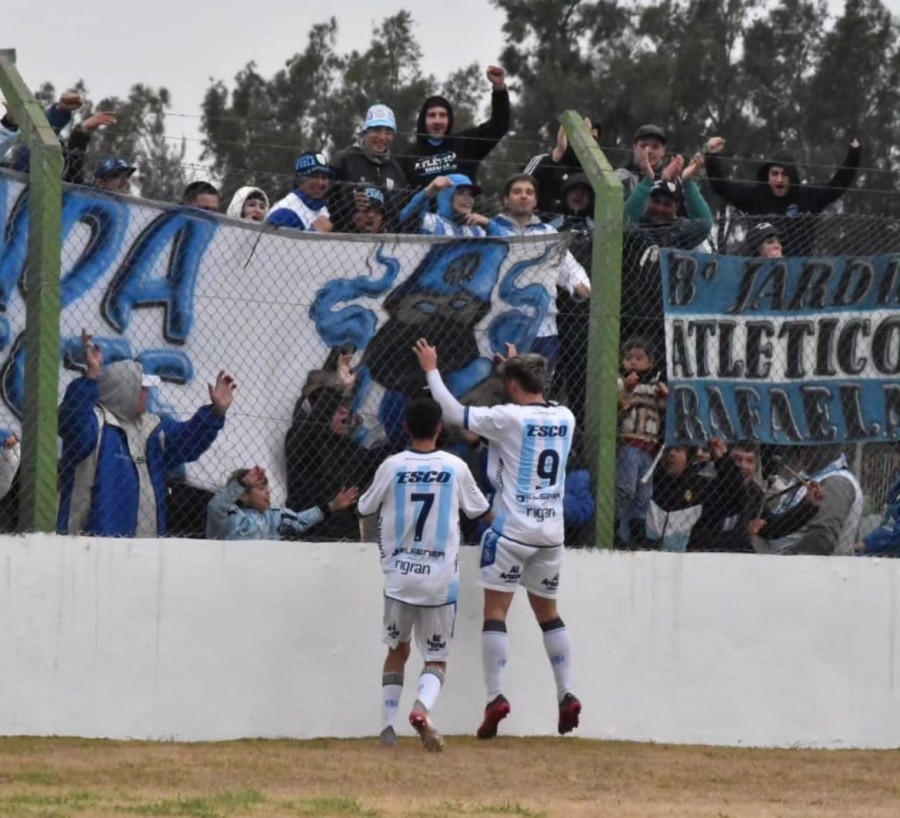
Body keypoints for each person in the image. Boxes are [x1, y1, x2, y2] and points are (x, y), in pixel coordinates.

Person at [413, 340, 583, 739]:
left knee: (496, 613)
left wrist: (431, 369)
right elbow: (534, 405)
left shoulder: (508, 418)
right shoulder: (566, 416)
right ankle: (566, 693)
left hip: (512, 530)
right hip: (551, 534)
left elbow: (454, 413)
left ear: (512, 386)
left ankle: (495, 698)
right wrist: (514, 371)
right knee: (549, 614)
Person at [357, 396, 490, 751]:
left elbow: (364, 506)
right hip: (440, 582)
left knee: (397, 650)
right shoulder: (454, 466)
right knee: (436, 658)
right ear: (439, 429)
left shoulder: (391, 465)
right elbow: (479, 509)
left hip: (400, 578)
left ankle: (387, 727)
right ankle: (421, 708)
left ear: (404, 428)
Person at [57, 331, 235, 538]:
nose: (147, 393)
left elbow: (187, 442)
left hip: (145, 553)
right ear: (122, 390)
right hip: (90, 548)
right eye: (142, 388)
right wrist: (91, 376)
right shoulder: (94, 425)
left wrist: (215, 413)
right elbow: (71, 419)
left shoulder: (151, 430)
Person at [491, 174, 591, 373]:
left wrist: (580, 285)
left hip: (542, 328)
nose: (523, 196)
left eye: (529, 192)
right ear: (505, 199)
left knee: (538, 392)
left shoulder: (548, 234)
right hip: (498, 325)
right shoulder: (489, 231)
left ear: (535, 201)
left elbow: (569, 268)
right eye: (517, 192)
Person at [702, 136, 862, 255]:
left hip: (798, 271)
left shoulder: (807, 196)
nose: (779, 179)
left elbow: (837, 186)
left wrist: (854, 155)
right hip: (758, 271)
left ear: (792, 177)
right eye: (775, 173)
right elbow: (721, 186)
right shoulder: (755, 195)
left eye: (785, 174)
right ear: (767, 176)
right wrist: (711, 156)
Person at [621, 154, 712, 353]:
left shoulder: (681, 231)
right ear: (647, 201)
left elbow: (705, 225)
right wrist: (648, 180)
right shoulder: (636, 228)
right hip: (631, 318)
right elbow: (624, 220)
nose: (660, 208)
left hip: (670, 317)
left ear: (676, 207)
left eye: (667, 204)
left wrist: (687, 183)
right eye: (656, 201)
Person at [403, 66, 510, 189]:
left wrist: (499, 88)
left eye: (443, 115)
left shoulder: (466, 143)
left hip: (463, 207)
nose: (437, 121)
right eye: (432, 115)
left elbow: (499, 125)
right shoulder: (409, 156)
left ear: (449, 120)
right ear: (423, 120)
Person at [206, 465, 358, 540]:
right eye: (260, 487)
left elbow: (300, 521)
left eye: (267, 486)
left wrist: (332, 506)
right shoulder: (230, 517)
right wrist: (243, 483)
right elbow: (215, 507)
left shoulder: (275, 517)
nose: (267, 491)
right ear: (244, 496)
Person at [645, 440, 745, 552]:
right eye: (667, 449)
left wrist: (722, 459)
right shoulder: (649, 484)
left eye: (678, 450)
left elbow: (736, 498)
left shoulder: (700, 488)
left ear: (689, 457)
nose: (671, 454)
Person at [763, 447, 863, 555]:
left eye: (810, 449)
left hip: (797, 564)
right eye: (800, 449)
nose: (802, 454)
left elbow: (821, 539)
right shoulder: (811, 475)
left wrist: (786, 559)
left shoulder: (837, 481)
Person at [615, 337, 667, 546]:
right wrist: (627, 389)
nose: (633, 362)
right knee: (625, 489)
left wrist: (665, 396)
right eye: (629, 358)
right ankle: (613, 527)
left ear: (651, 362)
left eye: (639, 358)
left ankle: (637, 535)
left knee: (644, 495)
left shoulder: (655, 386)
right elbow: (618, 405)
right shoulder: (621, 382)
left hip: (650, 448)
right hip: (630, 443)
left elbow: (663, 408)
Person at [329, 104, 408, 231]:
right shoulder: (344, 160)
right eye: (376, 130)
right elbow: (325, 201)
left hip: (383, 243)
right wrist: (349, 203)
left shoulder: (396, 169)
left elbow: (399, 212)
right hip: (343, 240)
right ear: (365, 131)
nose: (382, 137)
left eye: (388, 132)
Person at [523, 118, 601, 215]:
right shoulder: (544, 161)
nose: (588, 143)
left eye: (593, 139)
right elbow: (521, 190)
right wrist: (556, 156)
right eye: (583, 137)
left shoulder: (598, 174)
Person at [399, 174, 496, 237]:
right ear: (448, 195)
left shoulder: (476, 231)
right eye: (461, 193)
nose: (468, 199)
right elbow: (405, 217)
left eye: (470, 194)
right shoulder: (431, 222)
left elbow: (507, 244)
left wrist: (489, 223)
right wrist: (429, 191)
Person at [267, 152, 334, 231]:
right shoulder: (284, 213)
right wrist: (315, 232)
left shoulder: (321, 208)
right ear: (300, 180)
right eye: (314, 176)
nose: (321, 183)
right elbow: (276, 243)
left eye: (324, 177)